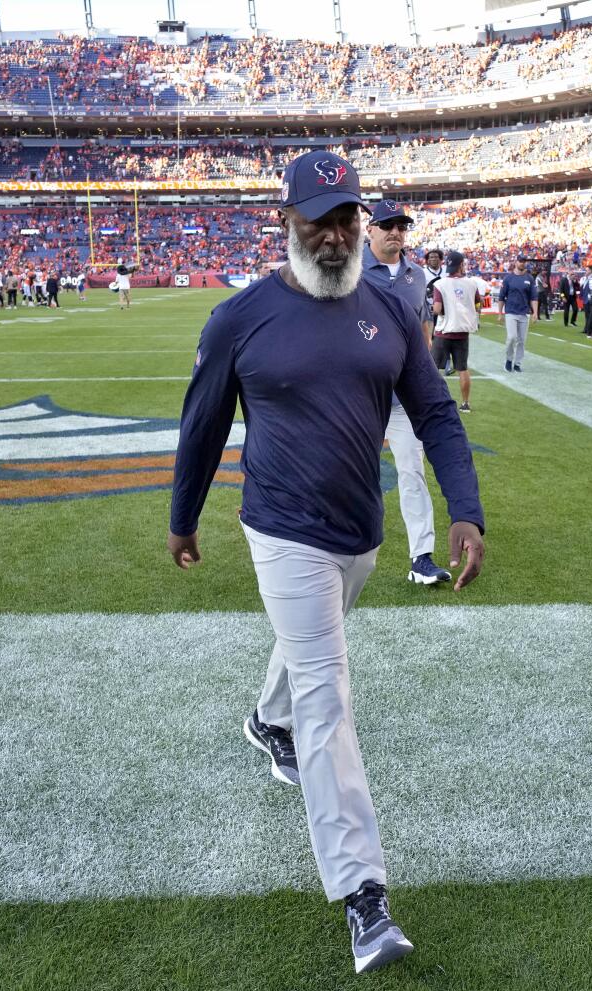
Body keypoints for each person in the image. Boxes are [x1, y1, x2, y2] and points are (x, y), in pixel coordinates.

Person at [168, 151, 484, 976]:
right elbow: (202, 425)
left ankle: (261, 719)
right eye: (320, 220)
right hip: (280, 527)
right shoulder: (240, 318)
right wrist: (182, 517)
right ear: (288, 222)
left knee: (312, 644)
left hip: (359, 534)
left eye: (347, 218)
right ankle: (364, 896)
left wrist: (467, 510)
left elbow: (437, 415)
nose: (337, 235)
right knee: (328, 694)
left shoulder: (386, 305)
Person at [361, 199, 453, 587]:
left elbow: (423, 331)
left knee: (412, 473)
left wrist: (426, 375)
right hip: (359, 393)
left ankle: (422, 558)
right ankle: (336, 550)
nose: (395, 232)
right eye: (387, 225)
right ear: (370, 230)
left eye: (401, 225)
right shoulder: (349, 270)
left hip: (402, 398)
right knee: (346, 471)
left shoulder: (417, 276)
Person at [431, 251, 486, 413]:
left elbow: (437, 309)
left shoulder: (440, 284)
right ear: (461, 265)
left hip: (444, 331)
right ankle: (465, 403)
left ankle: (434, 401)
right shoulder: (472, 283)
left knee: (435, 369)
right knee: (462, 368)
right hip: (462, 332)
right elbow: (478, 304)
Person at [498, 258, 538, 372]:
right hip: (510, 312)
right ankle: (509, 360)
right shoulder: (508, 278)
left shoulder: (529, 278)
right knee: (512, 337)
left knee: (522, 340)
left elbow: (534, 297)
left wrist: (535, 312)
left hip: (524, 313)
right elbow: (501, 297)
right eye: (520, 261)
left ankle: (517, 363)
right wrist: (500, 313)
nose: (522, 263)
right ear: (516, 263)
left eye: (524, 261)